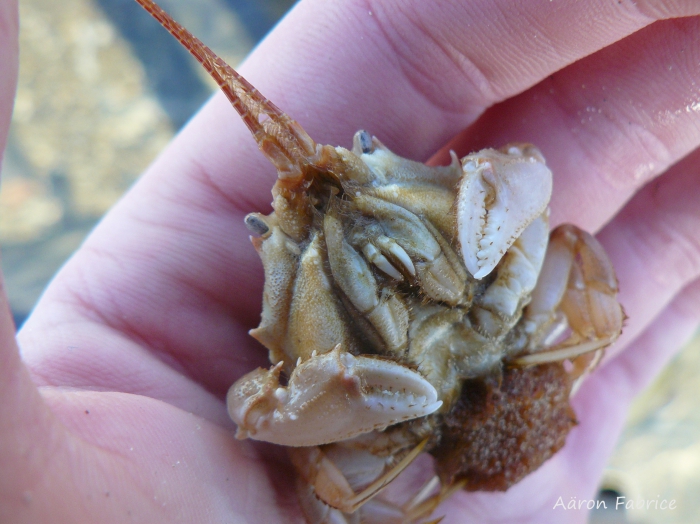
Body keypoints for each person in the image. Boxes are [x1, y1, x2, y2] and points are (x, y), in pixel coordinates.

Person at [2, 0, 700, 522]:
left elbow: (539, 199)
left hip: (463, 382)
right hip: (430, 399)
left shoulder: (447, 222)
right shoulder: (316, 276)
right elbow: (277, 428)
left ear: (373, 150)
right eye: (272, 232)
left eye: (365, 149)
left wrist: (578, 343)